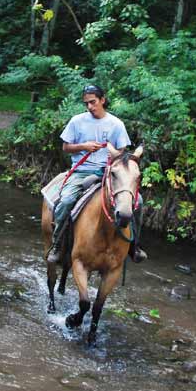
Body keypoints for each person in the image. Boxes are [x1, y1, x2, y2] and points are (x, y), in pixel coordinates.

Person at [46, 84, 147, 264]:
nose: (90, 107)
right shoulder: (77, 121)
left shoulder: (117, 124)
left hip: (109, 173)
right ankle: (57, 243)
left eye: (93, 102)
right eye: (87, 103)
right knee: (66, 200)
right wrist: (84, 146)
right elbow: (66, 147)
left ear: (102, 100)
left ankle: (135, 246)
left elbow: (121, 155)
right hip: (81, 172)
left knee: (137, 202)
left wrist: (114, 155)